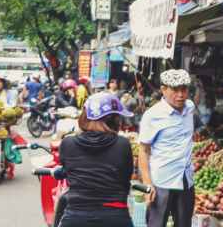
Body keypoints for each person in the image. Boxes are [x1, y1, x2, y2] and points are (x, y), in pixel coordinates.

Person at [56, 93, 135, 227]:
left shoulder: (67, 143)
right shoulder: (122, 144)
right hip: (115, 217)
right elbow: (125, 176)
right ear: (115, 120)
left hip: (76, 218)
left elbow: (66, 169)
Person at [138, 69, 197, 227]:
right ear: (163, 89)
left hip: (186, 181)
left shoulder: (190, 108)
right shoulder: (152, 115)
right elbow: (143, 151)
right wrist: (147, 185)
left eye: (184, 89)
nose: (180, 95)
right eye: (175, 90)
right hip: (161, 183)